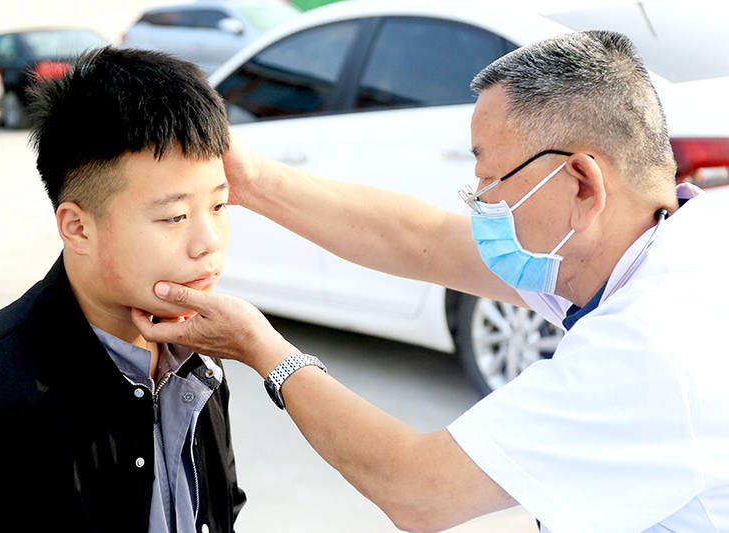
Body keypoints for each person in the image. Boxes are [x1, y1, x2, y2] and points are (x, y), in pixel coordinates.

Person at [131, 30, 729, 532]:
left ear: (581, 184)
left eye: (492, 183)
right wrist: (251, 179)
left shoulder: (655, 348)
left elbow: (418, 487)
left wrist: (262, 348)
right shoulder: (669, 234)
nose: (481, 206)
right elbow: (425, 240)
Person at [0, 47, 245, 532]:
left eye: (220, 206)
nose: (208, 244)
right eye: (175, 216)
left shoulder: (197, 353)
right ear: (77, 228)